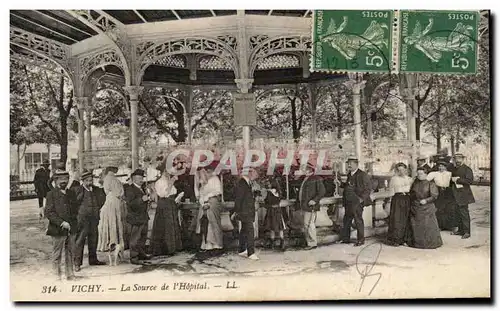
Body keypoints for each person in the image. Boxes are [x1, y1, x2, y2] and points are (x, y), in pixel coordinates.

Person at [44, 170, 78, 280]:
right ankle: (56, 275)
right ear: (55, 180)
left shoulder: (71, 193)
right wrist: (62, 223)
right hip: (57, 228)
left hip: (71, 228)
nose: (64, 181)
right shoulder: (51, 194)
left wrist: (74, 223)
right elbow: (49, 212)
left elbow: (75, 210)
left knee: (70, 252)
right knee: (57, 253)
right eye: (61, 179)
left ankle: (70, 274)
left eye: (66, 179)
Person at [74, 170, 106, 271]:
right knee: (80, 240)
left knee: (93, 239)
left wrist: (96, 209)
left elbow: (102, 200)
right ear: (82, 181)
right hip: (82, 220)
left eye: (91, 180)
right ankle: (77, 263)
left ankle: (93, 260)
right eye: (87, 181)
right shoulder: (78, 190)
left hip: (94, 219)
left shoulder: (96, 190)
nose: (89, 182)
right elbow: (73, 205)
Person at [151, 164, 184, 256]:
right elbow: (164, 194)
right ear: (164, 172)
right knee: (166, 225)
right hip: (164, 204)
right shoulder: (160, 182)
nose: (170, 173)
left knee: (172, 224)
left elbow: (172, 192)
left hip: (170, 203)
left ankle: (173, 247)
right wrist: (171, 182)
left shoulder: (168, 181)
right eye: (168, 172)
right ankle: (166, 249)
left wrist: (178, 198)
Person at [340, 157, 372, 247]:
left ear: (356, 164)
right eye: (348, 163)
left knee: (358, 220)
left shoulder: (362, 174)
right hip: (348, 202)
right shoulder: (350, 174)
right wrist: (340, 184)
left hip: (357, 202)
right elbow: (348, 186)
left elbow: (368, 188)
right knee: (347, 220)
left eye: (351, 163)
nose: (349, 165)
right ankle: (346, 239)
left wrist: (361, 199)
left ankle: (361, 240)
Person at [407, 167, 443, 249]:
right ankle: (417, 243)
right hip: (416, 207)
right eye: (418, 174)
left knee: (427, 227)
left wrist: (426, 200)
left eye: (421, 174)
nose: (419, 175)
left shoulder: (431, 183)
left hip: (427, 208)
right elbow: (411, 193)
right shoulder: (415, 183)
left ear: (426, 174)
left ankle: (429, 244)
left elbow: (434, 196)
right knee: (416, 226)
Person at [124, 169, 153, 264]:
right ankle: (134, 257)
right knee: (135, 239)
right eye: (139, 178)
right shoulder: (130, 189)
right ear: (133, 179)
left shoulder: (143, 188)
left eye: (142, 178)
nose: (141, 180)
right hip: (135, 218)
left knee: (143, 237)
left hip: (143, 216)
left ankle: (141, 254)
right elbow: (131, 203)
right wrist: (142, 199)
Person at [97, 167, 125, 259]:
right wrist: (120, 196)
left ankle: (109, 241)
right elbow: (120, 192)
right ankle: (115, 241)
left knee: (110, 221)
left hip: (109, 201)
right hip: (115, 201)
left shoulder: (107, 179)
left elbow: (107, 191)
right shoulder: (115, 180)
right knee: (116, 221)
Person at [232, 166, 260, 260]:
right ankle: (251, 252)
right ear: (249, 173)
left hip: (246, 211)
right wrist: (236, 211)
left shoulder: (246, 183)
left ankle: (241, 250)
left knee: (244, 230)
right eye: (254, 174)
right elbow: (238, 199)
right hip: (245, 212)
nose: (255, 175)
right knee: (249, 231)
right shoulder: (242, 183)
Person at [195, 165, 223, 253]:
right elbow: (201, 194)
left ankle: (217, 244)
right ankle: (207, 243)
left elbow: (218, 191)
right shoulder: (203, 182)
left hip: (213, 203)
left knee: (213, 222)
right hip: (205, 205)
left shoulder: (215, 179)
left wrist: (208, 196)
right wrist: (203, 203)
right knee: (204, 221)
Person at [297, 163, 326, 250]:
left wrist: (315, 200)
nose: (303, 171)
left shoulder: (316, 178)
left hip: (311, 205)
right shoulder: (304, 178)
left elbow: (322, 191)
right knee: (306, 224)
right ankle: (309, 242)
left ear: (310, 170)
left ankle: (312, 243)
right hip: (305, 205)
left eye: (305, 169)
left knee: (310, 224)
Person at [386, 163, 413, 246]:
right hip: (397, 199)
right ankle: (396, 240)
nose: (401, 172)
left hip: (407, 199)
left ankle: (406, 239)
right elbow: (391, 191)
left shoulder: (410, 179)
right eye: (399, 170)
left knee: (406, 218)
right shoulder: (394, 179)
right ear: (397, 171)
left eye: (403, 169)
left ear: (406, 170)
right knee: (397, 219)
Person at [451, 153, 475, 239]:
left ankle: (467, 232)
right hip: (455, 194)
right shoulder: (454, 169)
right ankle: (461, 230)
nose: (457, 160)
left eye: (459, 158)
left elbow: (469, 181)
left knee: (464, 213)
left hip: (463, 194)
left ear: (462, 159)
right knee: (458, 213)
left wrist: (458, 180)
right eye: (455, 159)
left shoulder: (467, 169)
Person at [427, 160, 456, 231]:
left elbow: (455, 181)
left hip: (448, 192)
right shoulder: (434, 174)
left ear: (445, 167)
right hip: (438, 191)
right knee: (439, 209)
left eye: (442, 166)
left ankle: (450, 226)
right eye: (439, 166)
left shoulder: (450, 174)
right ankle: (440, 226)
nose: (441, 168)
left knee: (449, 208)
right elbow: (426, 180)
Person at [263, 178, 286, 251]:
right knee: (280, 227)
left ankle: (272, 244)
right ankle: (282, 243)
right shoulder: (279, 192)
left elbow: (267, 202)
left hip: (271, 211)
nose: (268, 185)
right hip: (278, 210)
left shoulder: (268, 192)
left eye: (269, 183)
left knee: (271, 227)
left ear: (272, 184)